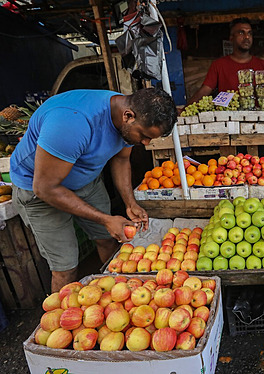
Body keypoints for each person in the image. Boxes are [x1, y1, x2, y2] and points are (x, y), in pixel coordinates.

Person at [9, 88, 177, 292]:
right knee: (66, 267)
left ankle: (118, 294)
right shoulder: (72, 124)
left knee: (109, 240)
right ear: (128, 116)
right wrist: (106, 219)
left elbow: (121, 159)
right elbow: (45, 187)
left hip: (85, 180)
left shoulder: (127, 115)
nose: (145, 143)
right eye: (143, 135)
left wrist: (130, 203)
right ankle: (61, 319)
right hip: (39, 191)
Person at [187, 17, 264, 104]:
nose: (247, 37)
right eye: (241, 32)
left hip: (258, 116)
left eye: (250, 33)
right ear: (231, 38)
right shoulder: (219, 65)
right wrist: (185, 109)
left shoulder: (263, 65)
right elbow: (205, 91)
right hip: (228, 116)